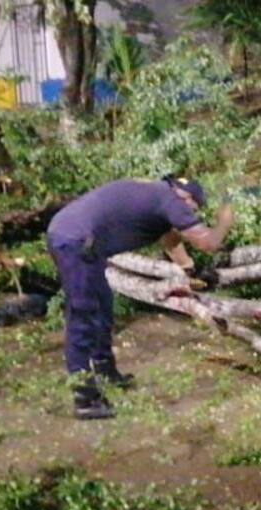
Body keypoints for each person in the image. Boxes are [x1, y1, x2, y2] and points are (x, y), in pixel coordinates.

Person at [45, 175, 233, 419]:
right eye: (193, 209)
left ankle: (105, 371)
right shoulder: (170, 200)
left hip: (77, 238)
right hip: (75, 242)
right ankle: (85, 398)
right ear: (186, 198)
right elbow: (208, 242)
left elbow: (169, 239)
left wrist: (191, 269)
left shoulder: (158, 194)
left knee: (103, 305)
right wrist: (224, 222)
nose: (189, 213)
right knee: (83, 316)